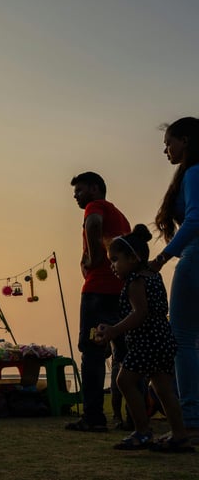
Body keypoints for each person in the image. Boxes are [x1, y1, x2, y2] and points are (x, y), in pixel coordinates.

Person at [95, 225, 193, 452]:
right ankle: (180, 436)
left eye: (115, 260)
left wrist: (113, 331)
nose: (112, 266)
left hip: (147, 342)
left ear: (133, 257)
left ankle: (142, 431)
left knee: (123, 381)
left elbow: (139, 314)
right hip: (163, 340)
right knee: (163, 389)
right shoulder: (153, 276)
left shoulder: (135, 281)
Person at [68, 172, 131, 432]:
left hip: (98, 293)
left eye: (80, 190)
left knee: (92, 353)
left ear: (95, 189)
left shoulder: (96, 207)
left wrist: (93, 259)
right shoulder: (120, 216)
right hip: (122, 292)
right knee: (126, 355)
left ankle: (93, 417)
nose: (75, 196)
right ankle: (133, 418)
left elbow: (93, 224)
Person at [150, 116, 199, 439]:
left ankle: (191, 418)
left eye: (169, 142)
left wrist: (163, 258)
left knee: (181, 339)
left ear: (185, 141)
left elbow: (195, 219)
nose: (165, 149)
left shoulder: (194, 172)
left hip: (194, 258)